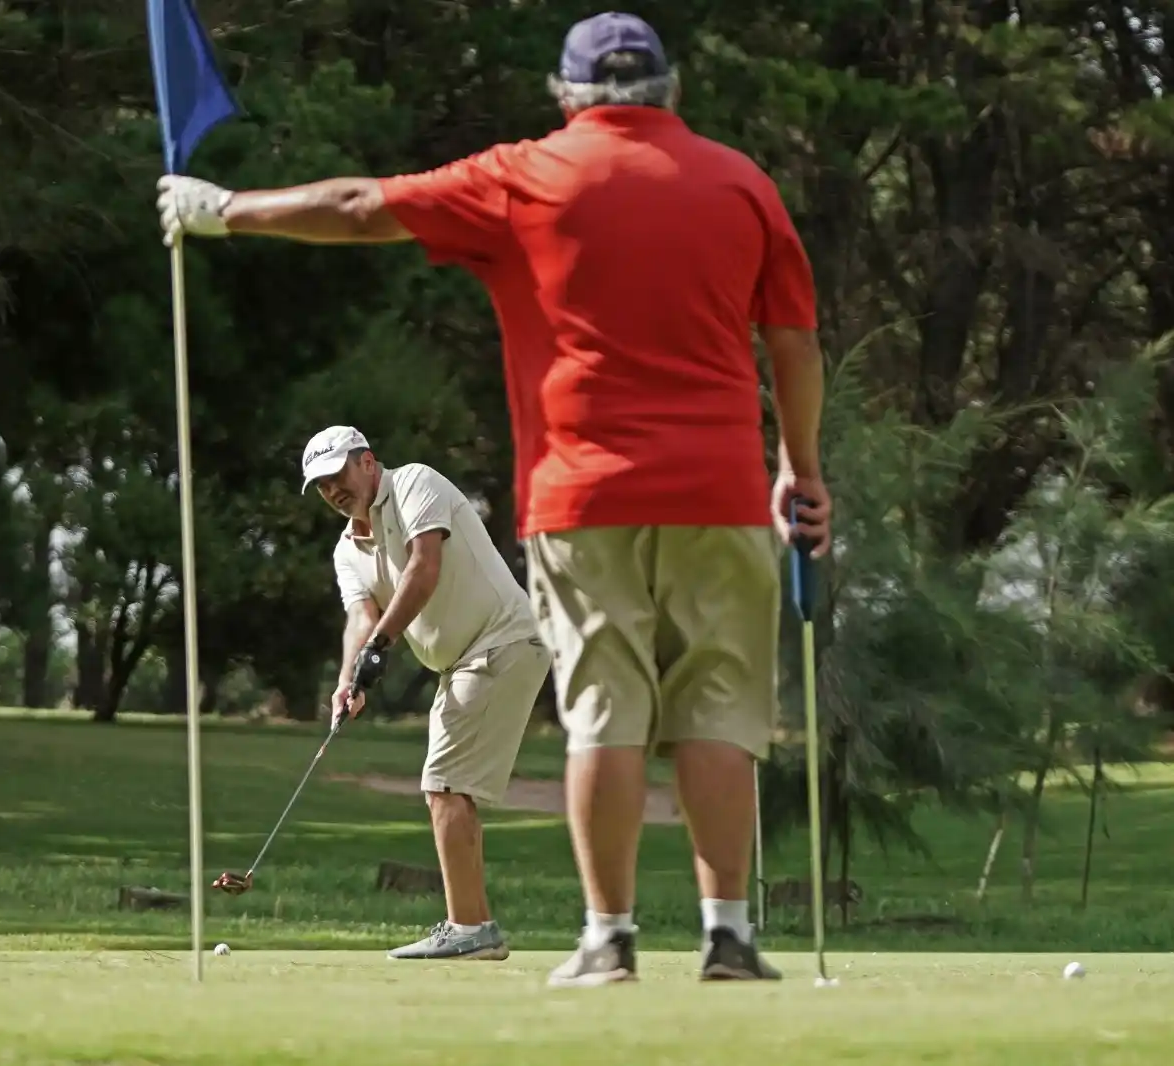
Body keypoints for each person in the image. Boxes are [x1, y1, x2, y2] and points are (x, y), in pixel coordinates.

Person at [156, 11, 833, 986]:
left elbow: (355, 206)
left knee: (604, 715)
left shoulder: (525, 173)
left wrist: (223, 208)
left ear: (565, 97)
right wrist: (799, 469)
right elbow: (794, 342)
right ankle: (725, 935)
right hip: (720, 488)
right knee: (715, 715)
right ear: (671, 92)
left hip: (582, 494)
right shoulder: (741, 182)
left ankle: (609, 940)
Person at [300, 424, 551, 962]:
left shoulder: (416, 483)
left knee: (443, 785)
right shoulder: (347, 549)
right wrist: (349, 679)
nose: (332, 491)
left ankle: (468, 928)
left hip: (501, 641)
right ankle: (476, 926)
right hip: (464, 662)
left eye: (337, 475)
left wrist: (382, 646)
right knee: (449, 789)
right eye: (320, 486)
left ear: (367, 461)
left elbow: (424, 566)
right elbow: (360, 619)